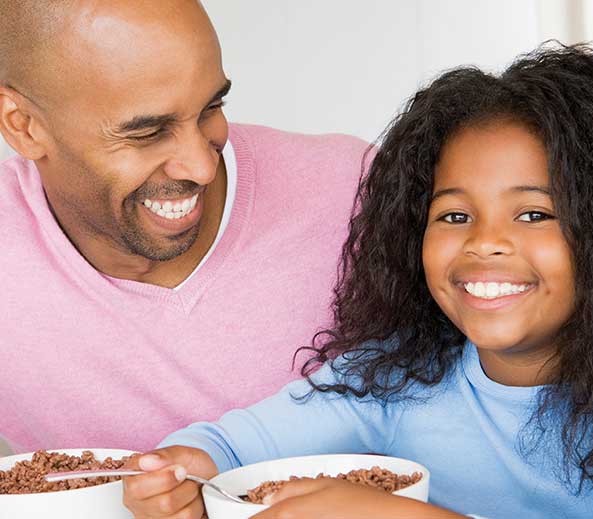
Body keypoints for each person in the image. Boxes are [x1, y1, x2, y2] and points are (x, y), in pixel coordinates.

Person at [122, 44, 593, 519]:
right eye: (453, 216)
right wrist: (176, 472)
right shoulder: (397, 379)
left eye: (535, 214)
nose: (483, 242)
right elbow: (225, 447)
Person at [0, 0, 367, 453]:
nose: (201, 167)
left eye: (212, 106)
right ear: (24, 127)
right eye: (148, 132)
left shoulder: (358, 191)